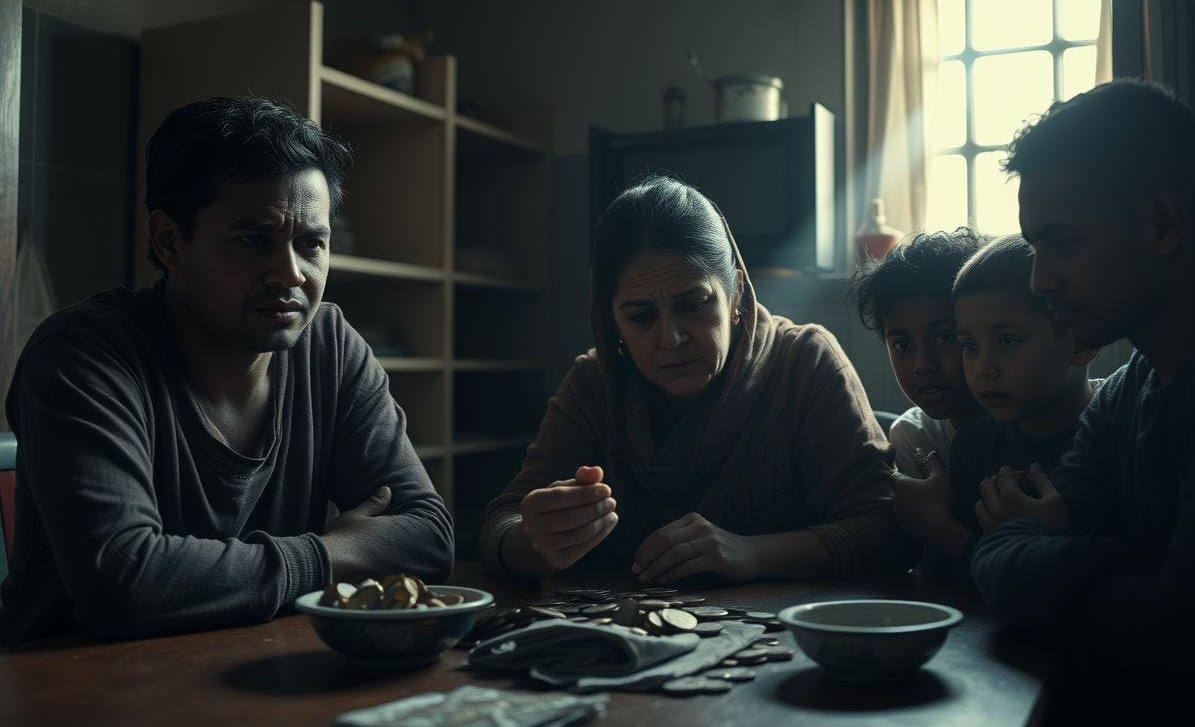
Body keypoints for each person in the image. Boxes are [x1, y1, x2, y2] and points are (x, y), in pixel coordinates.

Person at [0, 97, 455, 643]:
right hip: (77, 688)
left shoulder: (329, 343)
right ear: (169, 241)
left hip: (257, 667)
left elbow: (427, 537)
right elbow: (124, 582)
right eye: (252, 241)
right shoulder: (83, 355)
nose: (291, 274)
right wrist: (330, 554)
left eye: (311, 243)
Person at [970, 80, 1195, 717]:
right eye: (1034, 247)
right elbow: (997, 553)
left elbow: (1191, 637)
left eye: (1063, 243)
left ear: (1163, 223)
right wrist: (1142, 568)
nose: (1039, 278)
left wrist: (1078, 560)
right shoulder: (1126, 393)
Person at [481, 176, 909, 583]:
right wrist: (535, 540)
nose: (671, 339)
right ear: (611, 322)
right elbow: (500, 526)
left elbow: (887, 529)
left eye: (694, 305)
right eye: (640, 317)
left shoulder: (804, 362)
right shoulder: (595, 383)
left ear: (736, 294)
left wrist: (753, 553)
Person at [899, 234, 1098, 580]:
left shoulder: (1111, 438)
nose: (982, 368)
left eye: (1007, 341)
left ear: (1080, 344)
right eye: (969, 345)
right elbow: (959, 578)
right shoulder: (974, 446)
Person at [848, 228, 988, 478]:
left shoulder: (1040, 422)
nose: (923, 364)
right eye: (902, 345)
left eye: (944, 337)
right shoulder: (914, 437)